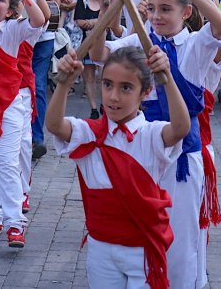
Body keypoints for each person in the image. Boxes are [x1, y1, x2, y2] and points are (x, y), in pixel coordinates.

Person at [92, 0, 221, 289]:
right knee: (140, 232)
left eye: (166, 9)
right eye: (152, 8)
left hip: (183, 155)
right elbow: (98, 52)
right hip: (142, 150)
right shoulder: (137, 43)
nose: (156, 15)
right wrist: (107, 7)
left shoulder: (195, 45)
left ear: (186, 12)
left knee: (181, 240)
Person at [47, 44, 189, 289]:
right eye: (107, 84)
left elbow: (180, 128)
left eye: (126, 88)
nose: (113, 96)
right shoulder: (89, 133)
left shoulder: (151, 135)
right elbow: (54, 125)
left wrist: (168, 78)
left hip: (141, 248)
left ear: (145, 92)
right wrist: (63, 84)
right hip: (101, 248)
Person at [0, 0, 47, 248]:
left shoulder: (13, 29)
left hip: (9, 105)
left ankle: (14, 224)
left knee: (7, 162)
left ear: (9, 11)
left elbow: (39, 19)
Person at [7, 0, 62, 159]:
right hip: (19, 38)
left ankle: (37, 137)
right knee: (18, 86)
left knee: (38, 85)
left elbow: (56, 4)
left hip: (43, 39)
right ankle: (17, 134)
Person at [73, 0, 105, 119]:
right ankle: (93, 108)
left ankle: (104, 103)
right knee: (89, 77)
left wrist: (91, 22)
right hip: (86, 43)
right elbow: (79, 22)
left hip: (105, 43)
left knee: (104, 76)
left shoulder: (106, 2)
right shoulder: (82, 1)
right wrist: (98, 22)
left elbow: (110, 21)